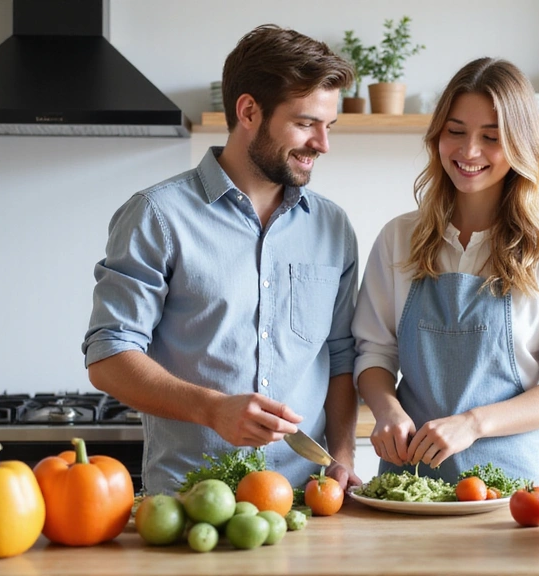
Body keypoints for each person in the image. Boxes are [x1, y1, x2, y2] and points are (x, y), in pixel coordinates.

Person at [82, 25, 361, 495]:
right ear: (249, 110)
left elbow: (339, 357)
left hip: (306, 502)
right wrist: (211, 409)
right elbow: (108, 355)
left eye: (328, 126)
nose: (322, 144)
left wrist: (345, 457)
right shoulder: (157, 215)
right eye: (305, 123)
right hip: (189, 502)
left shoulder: (332, 228)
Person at [352, 57, 539, 490]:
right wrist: (388, 411)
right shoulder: (399, 238)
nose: (468, 152)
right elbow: (374, 354)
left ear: (520, 145)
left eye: (491, 137)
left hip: (513, 491)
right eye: (455, 132)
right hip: (410, 485)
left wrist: (473, 424)